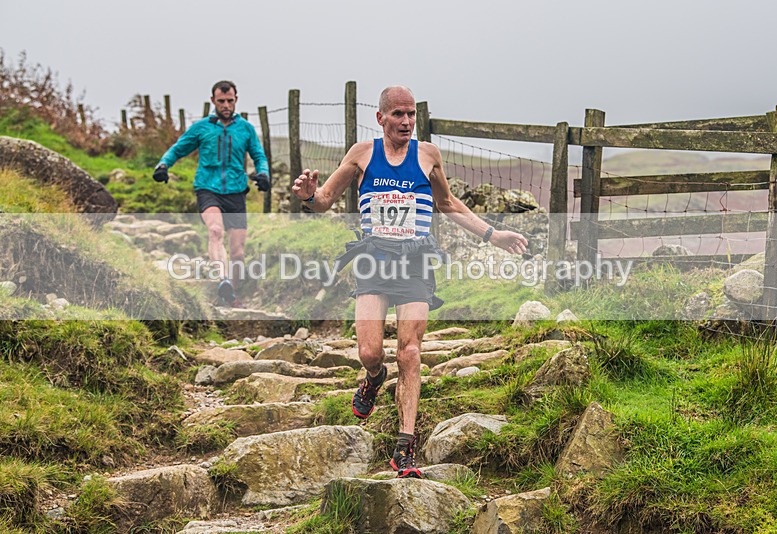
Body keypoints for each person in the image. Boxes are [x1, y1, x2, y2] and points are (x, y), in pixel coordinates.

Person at [292, 85, 528, 478]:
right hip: (373, 260)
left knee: (410, 352)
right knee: (370, 352)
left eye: (411, 114)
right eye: (398, 114)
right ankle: (372, 378)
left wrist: (494, 235)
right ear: (381, 118)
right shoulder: (362, 153)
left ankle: (405, 448)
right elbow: (327, 199)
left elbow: (448, 203)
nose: (406, 121)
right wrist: (307, 197)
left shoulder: (428, 156)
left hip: (416, 261)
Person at [153, 80, 270, 307]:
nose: (226, 105)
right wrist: (163, 165)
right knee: (215, 231)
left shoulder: (245, 129)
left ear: (236, 99)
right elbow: (178, 148)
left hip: (236, 191)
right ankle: (222, 279)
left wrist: (263, 173)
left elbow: (259, 156)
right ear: (212, 101)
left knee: (238, 253)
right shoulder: (202, 128)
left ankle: (231, 295)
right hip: (208, 188)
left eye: (230, 100)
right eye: (221, 101)